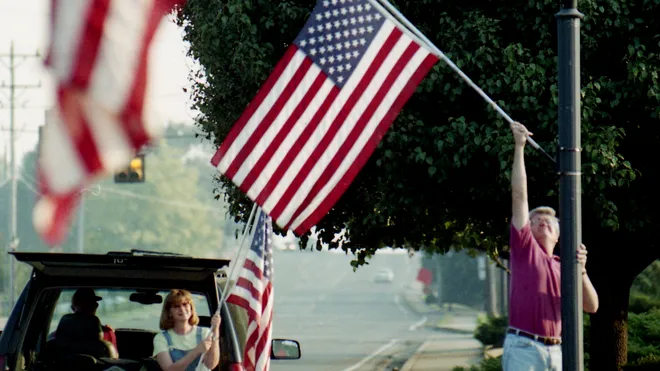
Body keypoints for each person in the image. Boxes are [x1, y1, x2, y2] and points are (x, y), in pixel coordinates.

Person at [503, 122, 599, 371]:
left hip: (557, 350)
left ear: (558, 235)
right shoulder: (525, 249)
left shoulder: (565, 266)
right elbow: (519, 196)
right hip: (524, 347)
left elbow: (592, 306)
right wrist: (519, 147)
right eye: (536, 221)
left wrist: (582, 271)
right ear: (528, 229)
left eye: (549, 222)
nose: (543, 223)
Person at [153, 289, 221, 371]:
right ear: (169, 312)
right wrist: (196, 351)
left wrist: (216, 330)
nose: (182, 309)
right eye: (176, 306)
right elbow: (169, 369)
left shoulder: (205, 333)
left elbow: (210, 365)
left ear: (191, 308)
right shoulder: (161, 338)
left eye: (185, 304)